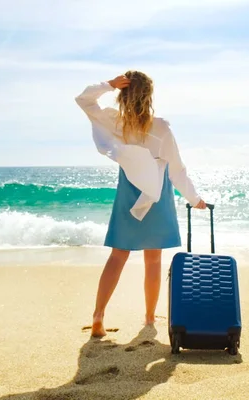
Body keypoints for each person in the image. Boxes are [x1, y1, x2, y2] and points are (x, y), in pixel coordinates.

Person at [75, 71, 206, 337]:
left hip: (129, 191)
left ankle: (98, 316)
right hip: (156, 193)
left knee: (118, 254)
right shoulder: (161, 127)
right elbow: (177, 170)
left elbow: (84, 100)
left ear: (123, 95)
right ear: (149, 96)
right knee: (153, 259)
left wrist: (108, 85)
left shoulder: (115, 122)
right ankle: (148, 318)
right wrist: (194, 199)